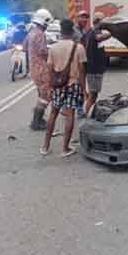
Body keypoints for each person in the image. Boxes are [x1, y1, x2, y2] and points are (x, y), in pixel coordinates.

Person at [40, 18, 87, 157]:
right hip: (73, 86)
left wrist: (49, 88)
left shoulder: (53, 48)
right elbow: (81, 71)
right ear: (72, 31)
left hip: (58, 87)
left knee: (53, 114)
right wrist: (84, 90)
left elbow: (49, 69)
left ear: (60, 31)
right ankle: (65, 148)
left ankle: (45, 147)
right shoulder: (79, 48)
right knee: (70, 114)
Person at [82, 11, 111, 117]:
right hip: (93, 69)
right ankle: (87, 113)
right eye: (103, 20)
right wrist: (111, 33)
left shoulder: (93, 31)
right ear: (99, 21)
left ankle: (90, 112)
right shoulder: (95, 31)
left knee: (94, 93)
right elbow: (99, 38)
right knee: (92, 93)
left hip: (96, 68)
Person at [27, 9, 53, 130]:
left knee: (41, 94)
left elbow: (24, 47)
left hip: (33, 68)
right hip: (41, 68)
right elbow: (43, 51)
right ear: (44, 22)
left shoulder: (31, 32)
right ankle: (36, 122)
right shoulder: (40, 34)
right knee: (46, 96)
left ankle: (39, 119)